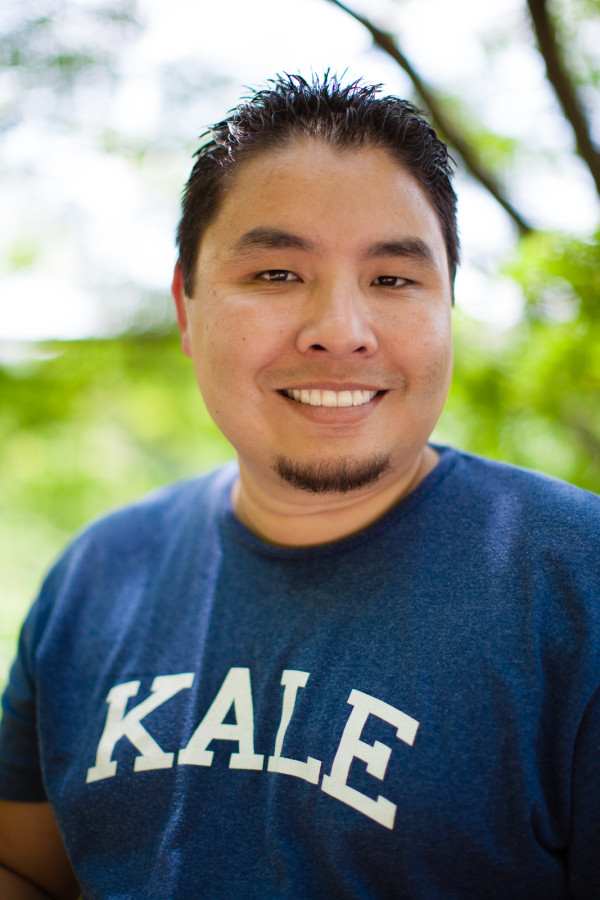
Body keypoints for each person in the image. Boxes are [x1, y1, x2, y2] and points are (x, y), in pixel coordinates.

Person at [0, 73, 598, 900]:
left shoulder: (576, 582)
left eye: (393, 279)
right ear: (187, 305)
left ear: (448, 308)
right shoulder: (96, 577)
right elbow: (28, 869)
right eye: (277, 274)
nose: (340, 332)